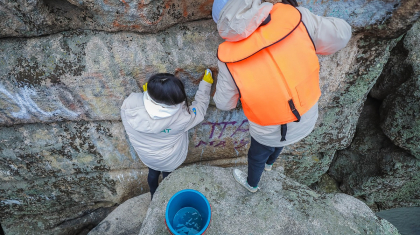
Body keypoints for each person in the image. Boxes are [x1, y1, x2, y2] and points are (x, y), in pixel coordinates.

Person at [212, 0, 352, 192]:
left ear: (220, 22)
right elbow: (342, 34)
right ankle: (270, 165)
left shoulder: (227, 57)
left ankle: (252, 184)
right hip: (306, 116)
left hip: (266, 128)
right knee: (281, 142)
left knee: (257, 156)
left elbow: (224, 103)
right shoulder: (295, 17)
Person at [121, 70, 213, 199]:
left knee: (152, 174)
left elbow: (131, 123)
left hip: (148, 156)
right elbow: (200, 108)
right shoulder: (183, 117)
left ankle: (153, 195)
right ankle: (165, 198)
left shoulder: (130, 104)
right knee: (167, 176)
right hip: (169, 159)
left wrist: (148, 95)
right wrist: (206, 84)